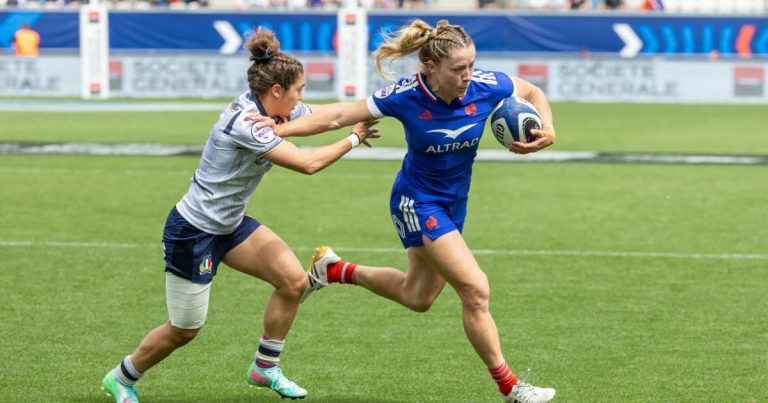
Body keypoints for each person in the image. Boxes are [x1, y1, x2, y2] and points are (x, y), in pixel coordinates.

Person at [266, 19, 557, 403]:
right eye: (458, 68)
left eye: (471, 65)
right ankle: (511, 388)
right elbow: (339, 115)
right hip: (417, 201)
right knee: (475, 289)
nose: (467, 75)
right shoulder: (405, 95)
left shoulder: (487, 85)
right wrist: (278, 129)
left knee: (417, 297)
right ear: (431, 68)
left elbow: (533, 91)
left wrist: (548, 130)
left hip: (454, 202)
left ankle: (333, 269)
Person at [100, 28, 378, 403]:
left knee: (293, 282)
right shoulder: (247, 122)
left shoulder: (276, 108)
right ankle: (122, 377)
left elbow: (329, 116)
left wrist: (381, 104)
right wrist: (355, 138)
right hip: (193, 231)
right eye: (299, 90)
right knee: (184, 329)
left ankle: (265, 368)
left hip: (231, 225)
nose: (302, 98)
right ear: (276, 91)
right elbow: (308, 163)